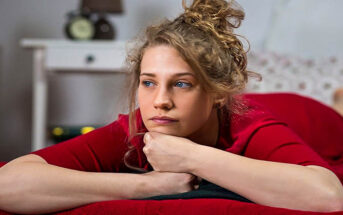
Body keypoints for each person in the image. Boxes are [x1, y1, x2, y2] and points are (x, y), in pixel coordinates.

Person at [1, 0, 343, 214]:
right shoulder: (139, 126)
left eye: (181, 83)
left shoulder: (250, 125)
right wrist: (147, 186)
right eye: (148, 82)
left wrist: (191, 158)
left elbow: (327, 195)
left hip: (313, 118)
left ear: (218, 93)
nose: (160, 100)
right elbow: (9, 185)